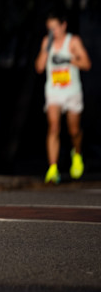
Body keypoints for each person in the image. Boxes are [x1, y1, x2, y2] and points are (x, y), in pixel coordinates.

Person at [35, 11, 91, 184]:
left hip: (72, 90)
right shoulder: (47, 42)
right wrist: (46, 49)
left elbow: (87, 64)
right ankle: (53, 169)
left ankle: (77, 153)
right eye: (49, 28)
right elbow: (38, 68)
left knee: (73, 130)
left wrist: (69, 59)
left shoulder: (73, 41)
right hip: (53, 91)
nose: (53, 31)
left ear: (63, 26)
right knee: (53, 128)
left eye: (55, 28)